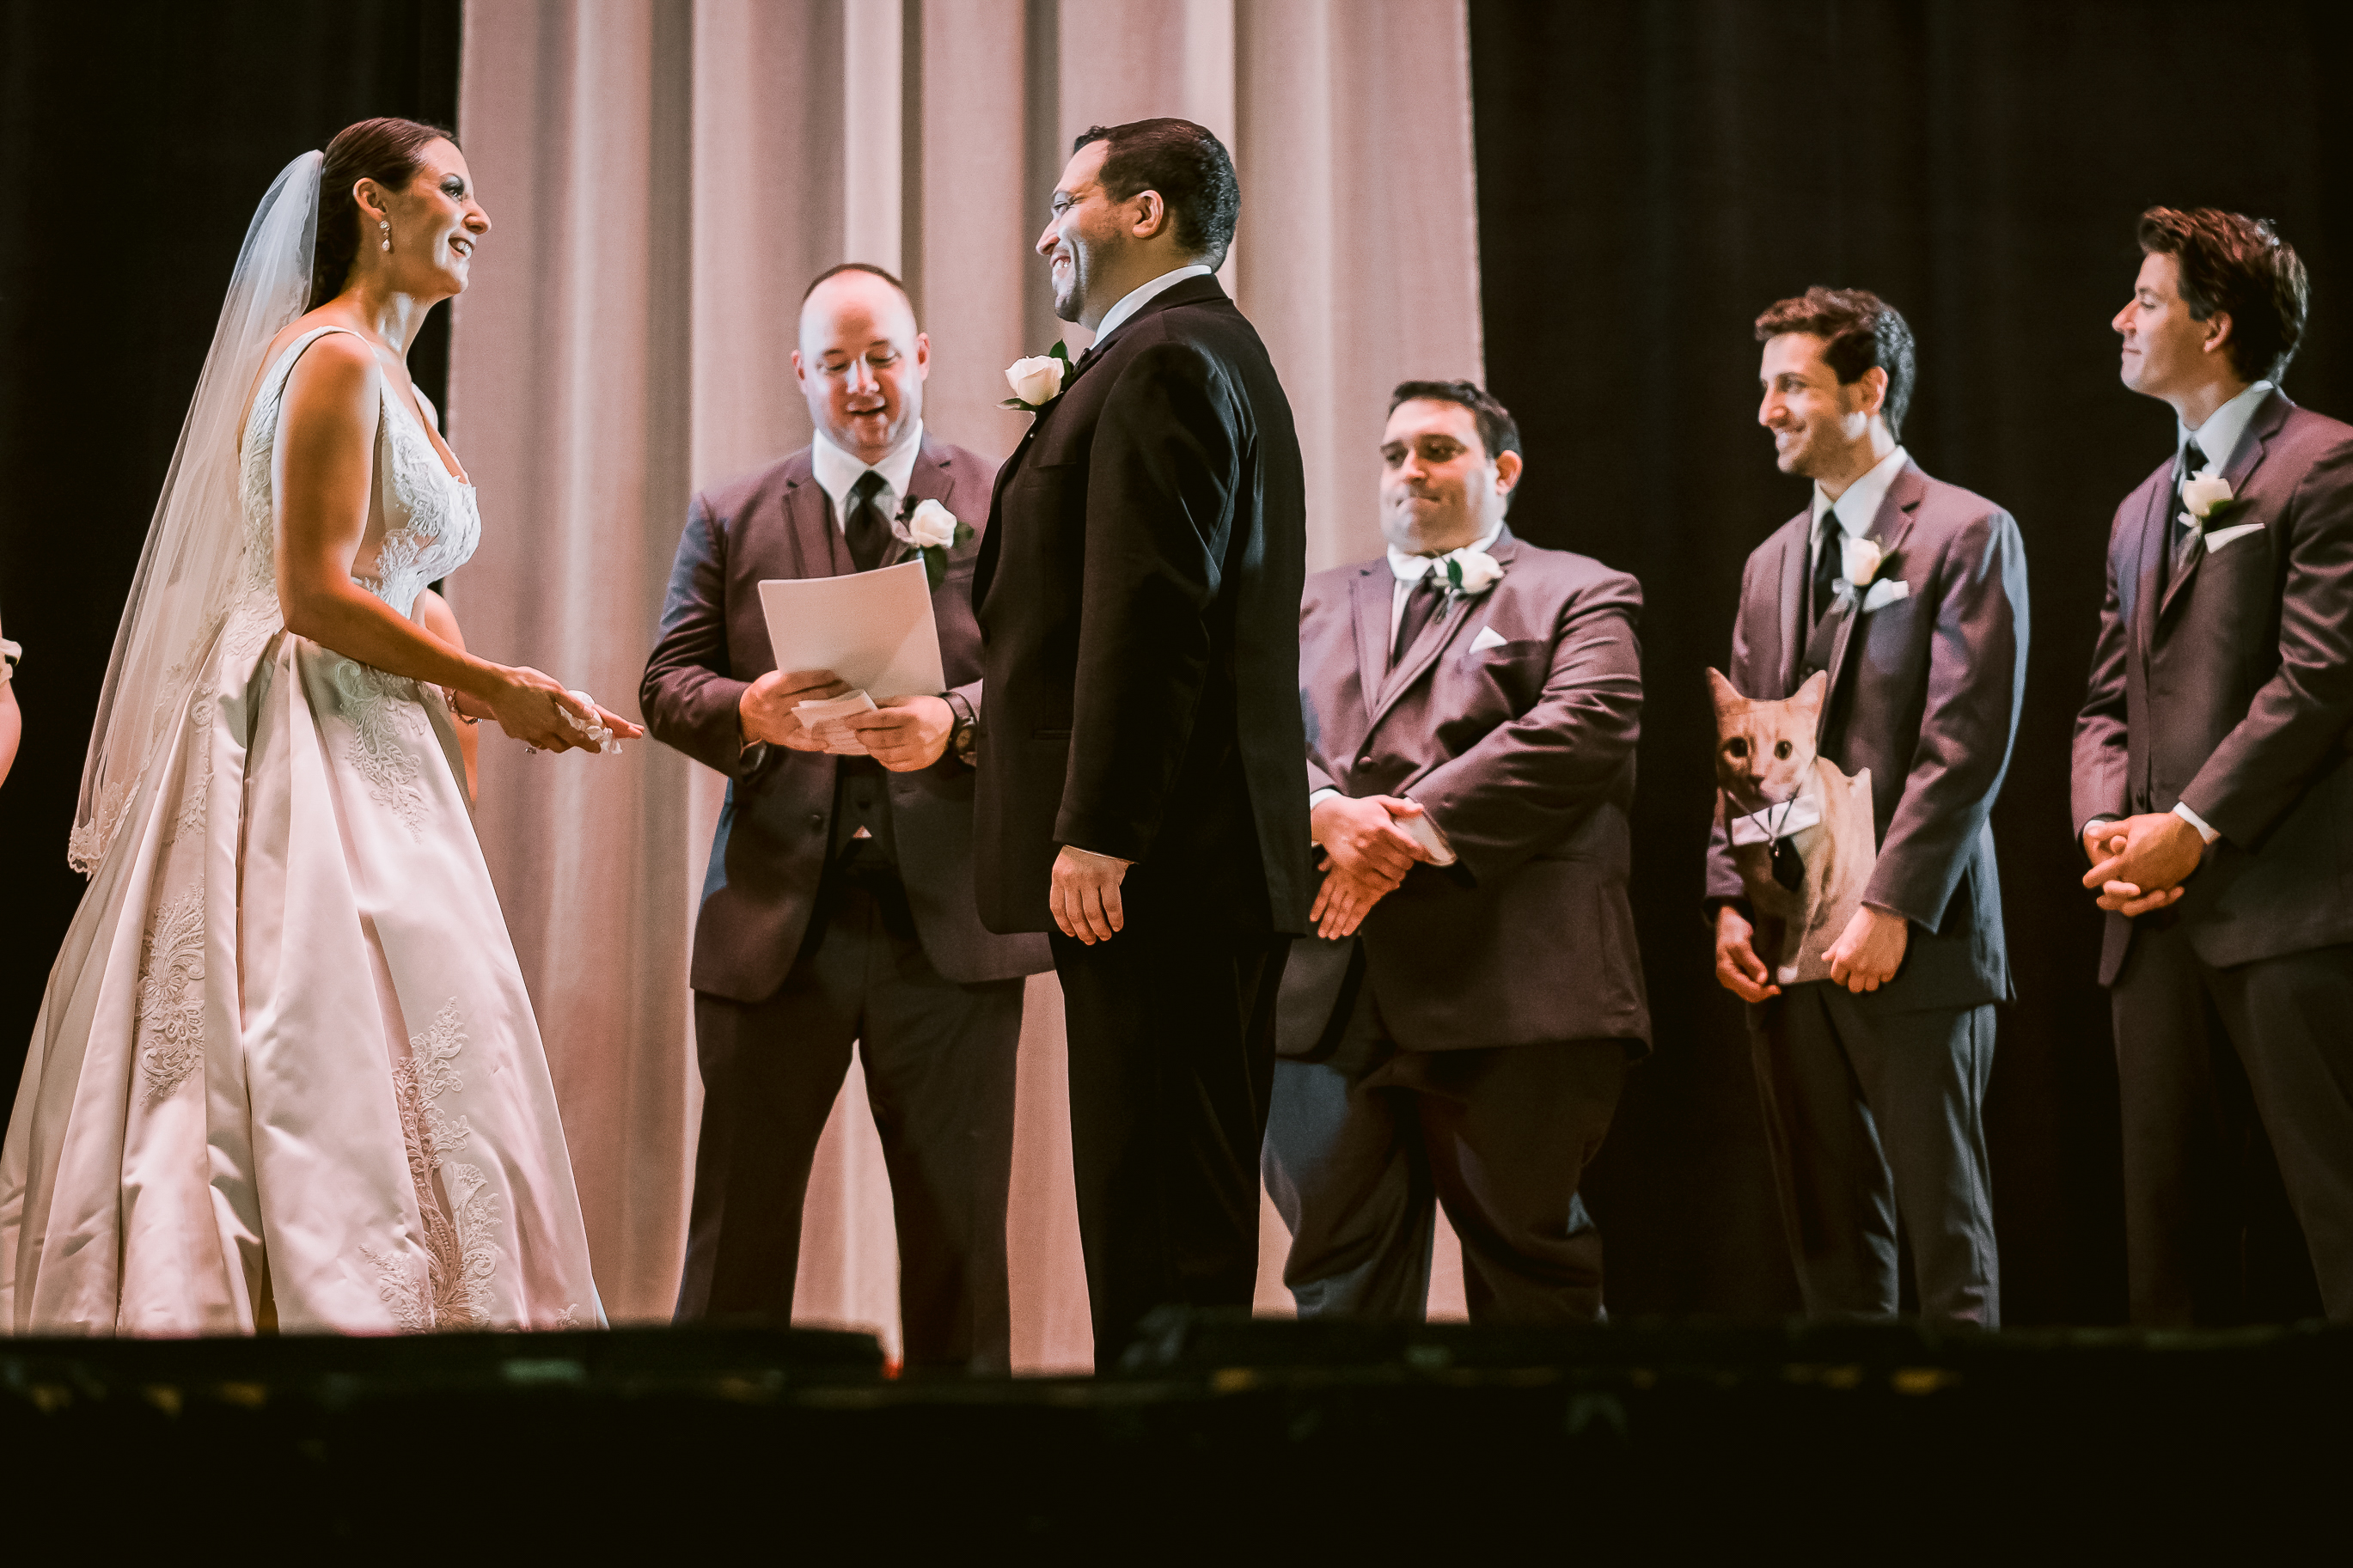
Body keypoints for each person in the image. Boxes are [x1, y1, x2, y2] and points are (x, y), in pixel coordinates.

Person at [0, 119, 628, 1334]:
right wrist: (490, 683)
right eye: (453, 187)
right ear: (373, 206)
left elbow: (399, 582)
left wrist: (482, 682)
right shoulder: (333, 357)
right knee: (295, 1016)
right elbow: (311, 593)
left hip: (379, 726)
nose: (479, 215)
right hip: (300, 723)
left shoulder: (393, 376)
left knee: (419, 1022)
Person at [643, 263, 1048, 1370]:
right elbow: (666, 684)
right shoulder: (730, 511)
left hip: (951, 930)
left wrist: (954, 722)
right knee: (735, 1242)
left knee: (960, 1246)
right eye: (835, 364)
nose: (861, 384)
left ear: (921, 356)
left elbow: (1048, 677)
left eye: (880, 358)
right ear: (800, 373)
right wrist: (751, 709)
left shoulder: (1005, 495)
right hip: (775, 923)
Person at [970, 119, 1310, 1366]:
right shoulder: (1189, 350)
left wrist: (1100, 828)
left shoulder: (1167, 358)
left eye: (1065, 203)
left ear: (1145, 212)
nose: (1045, 234)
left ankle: (1172, 1458)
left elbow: (1153, 614)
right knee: (1155, 1208)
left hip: (1165, 868)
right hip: (1188, 867)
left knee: (1161, 1220)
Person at [1265, 381, 1647, 1324]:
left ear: (1502, 469)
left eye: (1437, 450)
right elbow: (1247, 729)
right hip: (1328, 992)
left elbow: (1583, 725)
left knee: (1532, 1278)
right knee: (1336, 1282)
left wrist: (1398, 836)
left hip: (1511, 986)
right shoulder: (1309, 600)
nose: (1410, 471)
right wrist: (1324, 810)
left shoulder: (1582, 590)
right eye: (1394, 454)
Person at [1707, 288, 2027, 1327]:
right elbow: (1743, 752)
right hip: (1786, 941)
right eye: (1764, 388)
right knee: (1828, 1246)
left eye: (1790, 385)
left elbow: (1963, 743)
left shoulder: (1966, 531)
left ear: (1867, 389)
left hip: (1917, 938)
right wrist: (1731, 900)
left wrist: (1888, 905)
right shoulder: (1767, 563)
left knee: (1945, 1243)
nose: (1765, 410)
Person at [2072, 209, 2353, 1325]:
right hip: (2148, 930)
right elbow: (2102, 704)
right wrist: (2104, 829)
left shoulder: (2325, 463)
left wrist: (2187, 826)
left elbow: (2319, 679)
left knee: (2331, 1225)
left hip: (2288, 915)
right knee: (2169, 1252)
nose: (2119, 318)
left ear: (2215, 323)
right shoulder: (2138, 507)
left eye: (2144, 300)